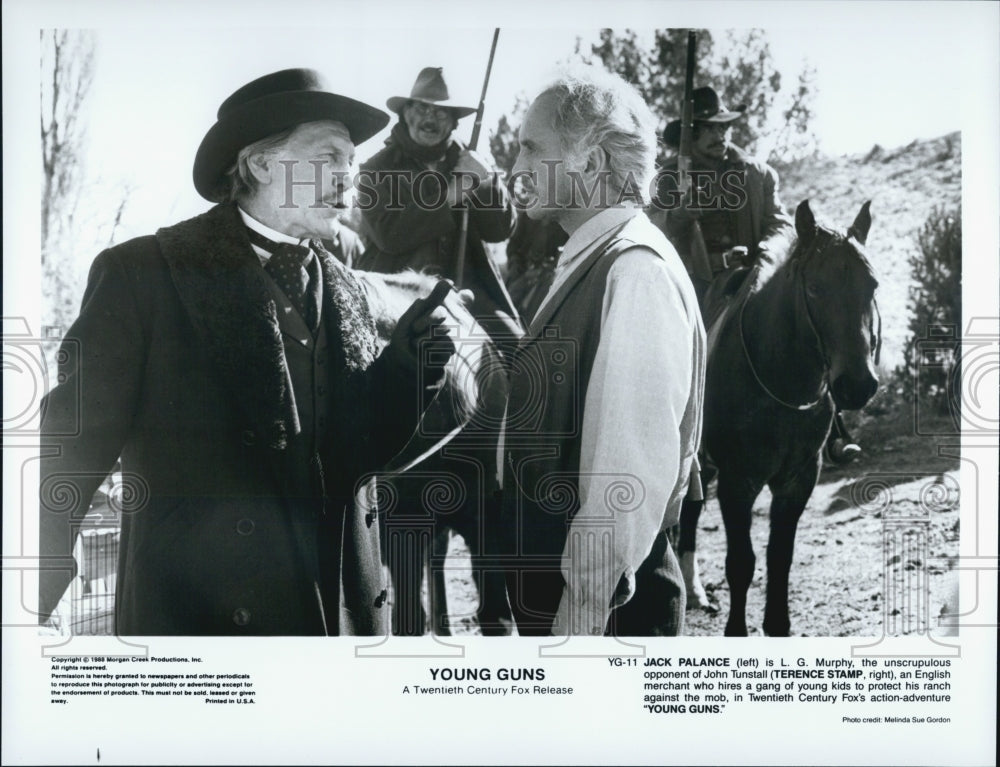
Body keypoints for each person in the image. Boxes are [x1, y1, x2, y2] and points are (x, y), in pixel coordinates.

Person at [38, 68, 461, 636]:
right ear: (261, 164)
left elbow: (351, 460)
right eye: (329, 159)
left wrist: (411, 368)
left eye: (352, 165)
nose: (349, 182)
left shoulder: (349, 288)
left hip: (339, 624)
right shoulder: (143, 276)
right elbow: (68, 454)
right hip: (203, 631)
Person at [498, 66, 706, 636]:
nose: (516, 170)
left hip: (600, 611)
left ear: (589, 164)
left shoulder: (634, 270)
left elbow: (627, 467)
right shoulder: (597, 255)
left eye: (530, 150)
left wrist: (584, 607)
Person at [651, 85, 860, 464]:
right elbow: (651, 226)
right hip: (690, 283)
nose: (721, 135)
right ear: (691, 134)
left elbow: (779, 223)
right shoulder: (668, 178)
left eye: (724, 128)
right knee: (668, 349)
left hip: (753, 277)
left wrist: (767, 251)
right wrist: (679, 215)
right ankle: (671, 434)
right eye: (710, 129)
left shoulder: (757, 174)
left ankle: (833, 425)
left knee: (805, 328)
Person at [356, 66, 521, 350]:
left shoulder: (472, 162)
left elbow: (500, 231)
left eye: (441, 111)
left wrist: (487, 181)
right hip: (395, 290)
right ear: (406, 113)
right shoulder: (376, 169)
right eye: (421, 108)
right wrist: (449, 197)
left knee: (519, 350)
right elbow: (389, 235)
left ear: (455, 121)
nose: (430, 117)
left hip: (468, 291)